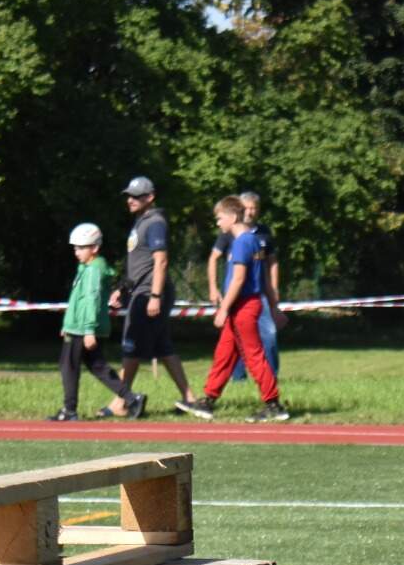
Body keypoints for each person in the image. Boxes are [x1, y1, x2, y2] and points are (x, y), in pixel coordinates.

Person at [111, 176, 206, 417]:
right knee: (163, 347)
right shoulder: (140, 222)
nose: (130, 200)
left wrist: (155, 296)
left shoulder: (155, 223)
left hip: (149, 293)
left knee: (131, 345)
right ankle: (189, 398)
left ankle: (120, 402)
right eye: (129, 196)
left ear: (150, 197)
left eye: (136, 196)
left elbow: (160, 261)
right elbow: (139, 265)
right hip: (140, 290)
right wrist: (121, 289)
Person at [194, 197, 292, 423]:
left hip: (243, 306)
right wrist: (273, 308)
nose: (218, 222)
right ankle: (208, 400)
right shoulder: (254, 240)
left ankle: (273, 403)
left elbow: (238, 280)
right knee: (225, 354)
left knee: (254, 355)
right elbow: (264, 278)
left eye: (220, 218)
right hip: (243, 305)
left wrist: (223, 309)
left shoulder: (240, 243)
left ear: (232, 217)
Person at [53, 223, 142, 422]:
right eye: (75, 248)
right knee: (98, 366)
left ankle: (69, 410)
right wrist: (67, 324)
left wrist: (88, 330)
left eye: (81, 247)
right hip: (79, 326)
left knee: (68, 366)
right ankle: (132, 398)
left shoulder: (93, 270)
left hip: (83, 328)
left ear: (94, 248)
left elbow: (91, 300)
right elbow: (77, 300)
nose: (77, 252)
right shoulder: (87, 268)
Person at [207, 190, 284, 382]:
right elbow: (214, 259)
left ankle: (271, 380)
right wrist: (214, 288)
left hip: (256, 295)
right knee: (233, 341)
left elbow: (267, 266)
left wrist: (273, 294)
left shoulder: (260, 235)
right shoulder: (229, 234)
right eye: (246, 208)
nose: (249, 212)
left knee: (267, 335)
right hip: (236, 295)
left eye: (253, 208)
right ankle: (234, 381)